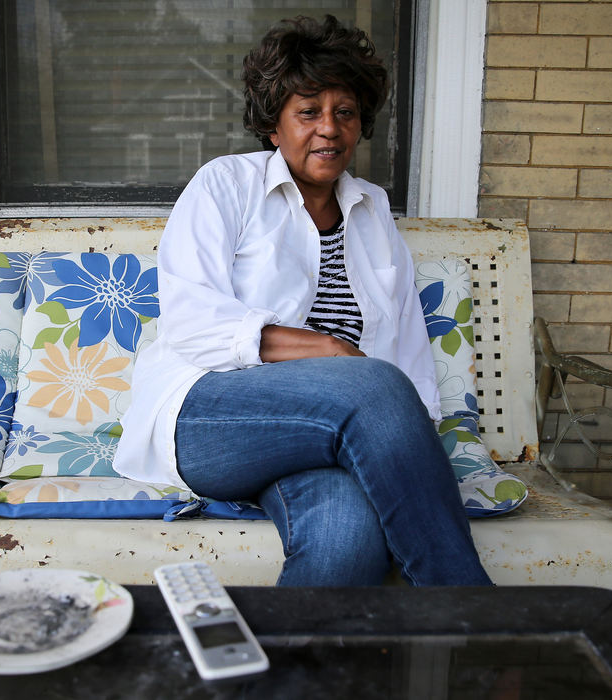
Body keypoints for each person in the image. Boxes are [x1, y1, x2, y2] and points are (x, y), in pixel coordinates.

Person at [113, 15, 491, 587]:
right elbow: (191, 322)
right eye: (308, 112)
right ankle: (478, 624)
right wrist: (333, 355)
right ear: (273, 125)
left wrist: (402, 449)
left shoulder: (372, 208)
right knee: (375, 383)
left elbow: (406, 339)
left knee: (349, 542)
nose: (330, 130)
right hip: (209, 416)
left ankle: (286, 677)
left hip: (326, 435)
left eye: (345, 112)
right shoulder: (226, 184)